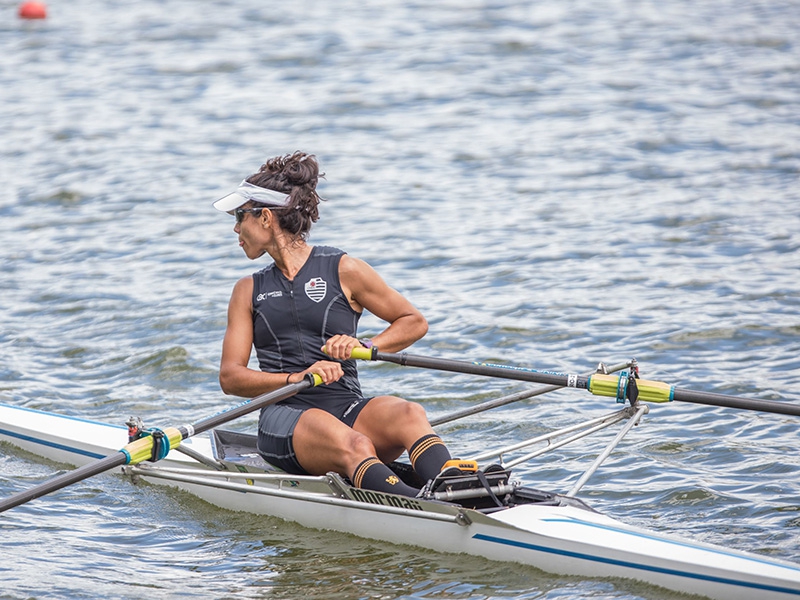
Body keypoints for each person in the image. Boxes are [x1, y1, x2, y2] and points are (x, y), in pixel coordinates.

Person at [213, 151, 453, 497]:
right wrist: (295, 379)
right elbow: (230, 376)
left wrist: (368, 346)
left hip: (346, 404)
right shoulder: (248, 290)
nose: (236, 228)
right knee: (355, 444)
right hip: (285, 415)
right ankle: (418, 504)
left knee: (409, 412)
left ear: (265, 218)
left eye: (240, 216)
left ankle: (455, 486)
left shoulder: (345, 269)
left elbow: (413, 321)